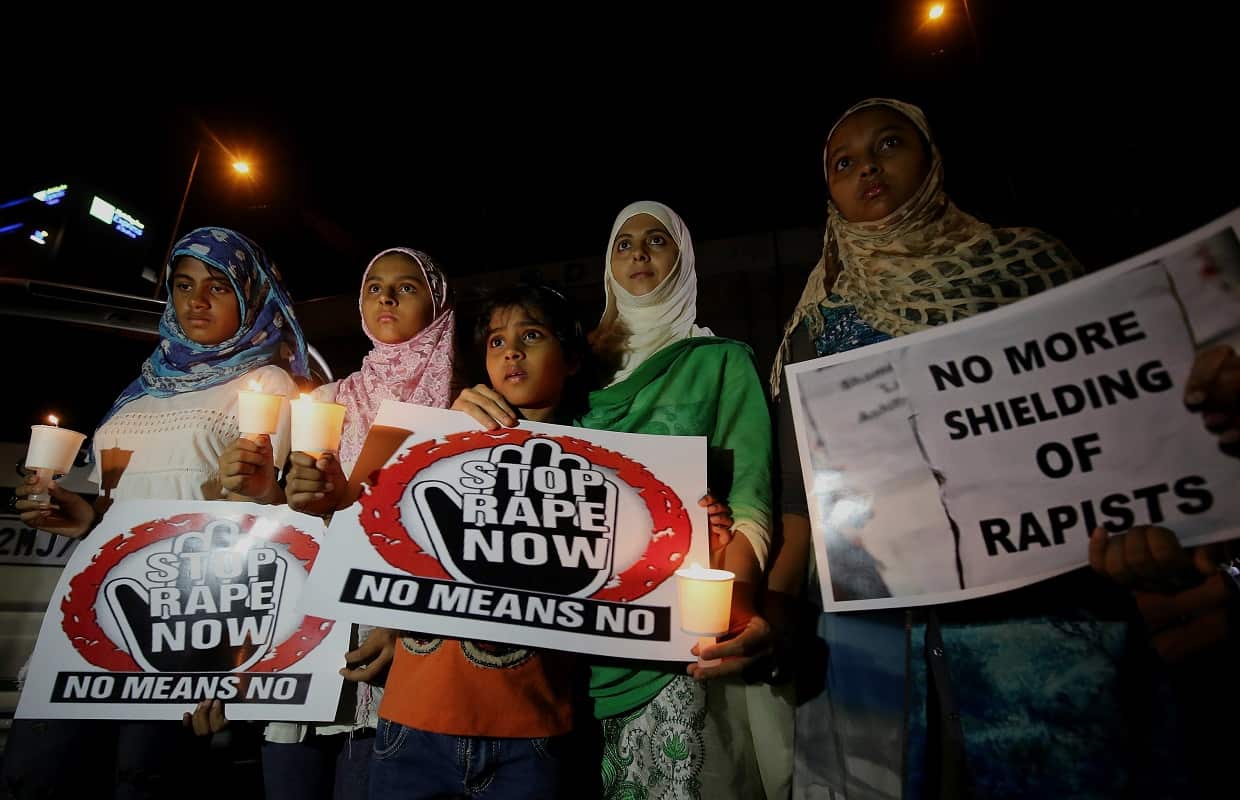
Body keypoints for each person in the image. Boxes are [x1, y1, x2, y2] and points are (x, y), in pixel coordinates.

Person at [769, 98, 1187, 798]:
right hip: (878, 645)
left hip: (1043, 633)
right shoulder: (816, 322)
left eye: (889, 145)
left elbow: (1119, 436)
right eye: (844, 163)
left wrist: (1164, 533)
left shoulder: (1027, 270)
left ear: (930, 158)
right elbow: (799, 490)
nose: (867, 167)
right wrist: (779, 603)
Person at [4, 226, 308, 799]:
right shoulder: (142, 388)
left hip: (184, 618)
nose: (196, 301)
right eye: (184, 285)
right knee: (37, 776)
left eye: (218, 287)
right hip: (96, 611)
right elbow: (118, 511)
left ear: (249, 295)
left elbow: (271, 521)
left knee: (143, 781)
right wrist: (79, 515)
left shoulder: (265, 383)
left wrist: (227, 659)